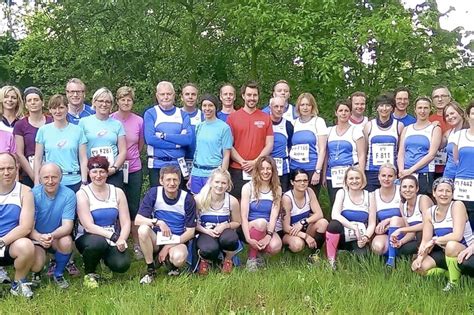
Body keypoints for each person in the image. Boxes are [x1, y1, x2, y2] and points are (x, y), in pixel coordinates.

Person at [75, 155, 131, 289]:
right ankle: (89, 273)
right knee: (97, 243)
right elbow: (88, 226)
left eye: (102, 171)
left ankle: (105, 262)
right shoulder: (82, 193)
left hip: (114, 237)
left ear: (107, 173)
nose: (98, 175)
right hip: (89, 237)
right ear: (89, 173)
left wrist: (122, 239)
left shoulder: (118, 192)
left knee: (122, 265)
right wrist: (114, 237)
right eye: (94, 172)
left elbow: (126, 221)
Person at [135, 165, 196, 284]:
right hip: (157, 239)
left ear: (179, 181)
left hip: (177, 240)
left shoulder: (187, 199)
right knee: (143, 230)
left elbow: (190, 232)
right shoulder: (154, 193)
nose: (172, 183)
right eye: (168, 180)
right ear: (161, 181)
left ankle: (171, 265)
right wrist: (158, 222)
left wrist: (168, 246)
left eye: (175, 180)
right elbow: (138, 219)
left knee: (179, 258)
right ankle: (150, 269)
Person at [411, 178, 473, 291]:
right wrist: (420, 258)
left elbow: (457, 236)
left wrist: (435, 240)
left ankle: (453, 284)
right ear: (434, 193)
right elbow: (426, 240)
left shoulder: (457, 205)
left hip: (466, 249)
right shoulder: (429, 212)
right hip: (445, 252)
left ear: (452, 194)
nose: (444, 194)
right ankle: (450, 274)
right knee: (420, 268)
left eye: (448, 191)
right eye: (440, 190)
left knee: (451, 245)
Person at [110, 86, 144, 259]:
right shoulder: (110, 119)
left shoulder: (139, 121)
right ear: (117, 101)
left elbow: (140, 144)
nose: (126, 102)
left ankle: (137, 243)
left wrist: (130, 157)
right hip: (114, 170)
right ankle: (116, 240)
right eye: (122, 99)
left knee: (133, 206)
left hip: (133, 168)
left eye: (129, 99)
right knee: (115, 205)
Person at [29, 163, 75, 289]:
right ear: (39, 178)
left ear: (60, 177)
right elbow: (28, 227)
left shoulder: (69, 195)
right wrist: (40, 238)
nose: (50, 181)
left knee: (66, 241)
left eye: (54, 177)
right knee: (37, 264)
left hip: (56, 236)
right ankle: (36, 273)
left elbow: (68, 226)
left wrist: (51, 236)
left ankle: (58, 273)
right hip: (36, 237)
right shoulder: (32, 195)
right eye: (46, 177)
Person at [226, 81, 273, 199]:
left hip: (260, 169)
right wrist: (242, 162)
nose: (252, 98)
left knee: (258, 202)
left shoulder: (265, 117)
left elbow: (269, 144)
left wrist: (256, 162)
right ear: (243, 96)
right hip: (237, 168)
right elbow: (228, 145)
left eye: (255, 95)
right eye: (249, 95)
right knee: (238, 202)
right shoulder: (232, 118)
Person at [34, 94, 88, 193]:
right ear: (50, 110)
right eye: (54, 108)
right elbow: (38, 158)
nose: (58, 111)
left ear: (67, 108)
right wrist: (37, 181)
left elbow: (83, 158)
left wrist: (84, 182)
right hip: (51, 182)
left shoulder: (78, 130)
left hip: (74, 181)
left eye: (61, 107)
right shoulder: (43, 130)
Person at [325, 167, 376, 270]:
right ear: (346, 181)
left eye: (357, 178)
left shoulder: (369, 196)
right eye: (351, 178)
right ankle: (331, 261)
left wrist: (366, 237)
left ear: (362, 180)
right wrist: (353, 227)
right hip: (342, 235)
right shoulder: (341, 193)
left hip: (359, 237)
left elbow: (372, 223)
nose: (354, 181)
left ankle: (349, 251)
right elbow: (335, 215)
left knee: (363, 260)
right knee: (333, 224)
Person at [144, 81, 192, 188]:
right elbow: (150, 139)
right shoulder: (150, 113)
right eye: (162, 94)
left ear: (174, 95)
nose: (166, 97)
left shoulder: (183, 115)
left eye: (169, 94)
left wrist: (164, 136)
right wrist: (176, 144)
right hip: (157, 165)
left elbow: (187, 139)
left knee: (178, 200)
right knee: (158, 200)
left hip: (178, 165)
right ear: (157, 96)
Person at [0, 153, 35, 298]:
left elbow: (26, 227)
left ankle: (18, 283)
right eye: (1, 169)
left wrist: (1, 242)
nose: (6, 173)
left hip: (10, 243)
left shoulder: (25, 191)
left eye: (10, 168)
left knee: (26, 246)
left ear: (17, 168)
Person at [194, 168, 240, 274]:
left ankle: (228, 259)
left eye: (223, 183)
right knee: (210, 249)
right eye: (217, 182)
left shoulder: (232, 201)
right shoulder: (199, 199)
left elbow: (237, 222)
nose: (220, 186)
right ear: (211, 182)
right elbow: (192, 223)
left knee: (231, 239)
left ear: (228, 185)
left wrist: (225, 226)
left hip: (224, 231)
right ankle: (205, 260)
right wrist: (207, 231)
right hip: (205, 231)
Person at [79, 87, 127, 189]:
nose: (104, 104)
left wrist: (114, 168)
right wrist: (86, 169)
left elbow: (123, 151)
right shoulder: (83, 122)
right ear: (94, 102)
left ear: (111, 105)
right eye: (101, 101)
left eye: (107, 102)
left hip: (112, 172)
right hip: (90, 172)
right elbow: (78, 149)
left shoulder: (117, 124)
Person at [241, 156, 282, 271]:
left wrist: (269, 235)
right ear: (257, 170)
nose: (265, 171)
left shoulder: (277, 189)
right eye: (262, 168)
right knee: (261, 223)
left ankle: (259, 255)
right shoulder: (248, 187)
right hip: (250, 226)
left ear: (273, 171)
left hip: (267, 227)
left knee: (276, 246)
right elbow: (243, 217)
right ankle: (251, 259)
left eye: (269, 169)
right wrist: (248, 238)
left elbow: (274, 215)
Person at [398, 97, 442, 196]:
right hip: (405, 173)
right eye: (420, 108)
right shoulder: (407, 129)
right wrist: (401, 171)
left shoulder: (434, 129)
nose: (422, 111)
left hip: (424, 173)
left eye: (426, 108)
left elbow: (431, 154)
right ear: (415, 109)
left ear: (430, 109)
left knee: (423, 202)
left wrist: (411, 170)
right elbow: (401, 152)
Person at [189, 94, 232, 194]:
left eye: (210, 105)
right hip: (197, 172)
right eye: (204, 106)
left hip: (213, 173)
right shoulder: (199, 126)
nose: (207, 109)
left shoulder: (224, 128)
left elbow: (226, 155)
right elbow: (197, 151)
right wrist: (192, 175)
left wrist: (222, 176)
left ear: (215, 107)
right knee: (197, 204)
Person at [281, 169, 328, 260]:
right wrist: (306, 236)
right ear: (292, 182)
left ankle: (314, 254)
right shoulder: (287, 198)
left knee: (323, 223)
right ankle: (287, 251)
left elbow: (319, 214)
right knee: (298, 245)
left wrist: (303, 222)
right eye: (298, 181)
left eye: (305, 180)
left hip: (304, 227)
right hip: (290, 232)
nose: (302, 183)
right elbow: (286, 227)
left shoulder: (309, 191)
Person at [326, 99, 365, 206]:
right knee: (335, 204)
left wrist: (361, 175)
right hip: (332, 175)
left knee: (349, 204)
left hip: (351, 175)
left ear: (350, 113)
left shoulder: (356, 130)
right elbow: (326, 154)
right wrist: (323, 174)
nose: (343, 113)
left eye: (346, 111)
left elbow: (362, 155)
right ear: (336, 112)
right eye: (341, 110)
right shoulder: (329, 131)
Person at [388, 175, 433, 267]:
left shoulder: (423, 199)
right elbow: (411, 232)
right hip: (417, 238)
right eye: (404, 187)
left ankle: (425, 259)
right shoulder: (402, 205)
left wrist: (401, 230)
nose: (407, 190)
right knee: (402, 250)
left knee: (421, 233)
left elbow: (427, 225)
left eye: (411, 187)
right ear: (400, 189)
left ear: (417, 189)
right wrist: (401, 242)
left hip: (432, 238)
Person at [289, 93, 328, 197]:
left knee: (311, 201)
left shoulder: (318, 122)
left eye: (308, 105)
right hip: (295, 169)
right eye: (302, 105)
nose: (305, 108)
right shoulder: (293, 123)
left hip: (312, 169)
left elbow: (323, 149)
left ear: (312, 106)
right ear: (298, 107)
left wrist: (318, 171)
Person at [13, 87, 52, 188]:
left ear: (42, 102)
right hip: (29, 173)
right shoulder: (20, 125)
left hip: (52, 171)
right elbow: (20, 154)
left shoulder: (51, 121)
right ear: (26, 105)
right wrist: (34, 176)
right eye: (29, 100)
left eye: (36, 99)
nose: (33, 103)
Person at [364, 94, 403, 192]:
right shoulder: (369, 125)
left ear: (392, 108)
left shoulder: (399, 126)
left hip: (391, 171)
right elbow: (364, 151)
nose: (384, 108)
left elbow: (400, 151)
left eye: (387, 105)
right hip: (372, 171)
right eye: (381, 105)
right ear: (377, 108)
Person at [369, 164, 402, 267]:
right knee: (377, 247)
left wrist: (389, 220)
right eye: (383, 176)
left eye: (390, 176)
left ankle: (391, 261)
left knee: (395, 220)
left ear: (395, 177)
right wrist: (377, 229)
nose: (386, 179)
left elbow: (407, 217)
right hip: (386, 231)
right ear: (378, 177)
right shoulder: (373, 195)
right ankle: (397, 255)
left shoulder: (401, 190)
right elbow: (372, 221)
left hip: (402, 228)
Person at [453, 101, 474, 229]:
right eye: (473, 113)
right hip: (462, 184)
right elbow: (456, 159)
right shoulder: (459, 135)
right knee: (462, 218)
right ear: (467, 115)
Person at [269, 96, 294, 192]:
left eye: (281, 107)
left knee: (283, 195)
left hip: (283, 168)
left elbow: (289, 146)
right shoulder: (264, 122)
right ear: (270, 107)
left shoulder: (288, 125)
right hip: (266, 167)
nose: (279, 109)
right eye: (276, 106)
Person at [430, 86, 452, 179]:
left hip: (453, 168)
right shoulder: (428, 120)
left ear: (449, 98)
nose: (440, 99)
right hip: (431, 168)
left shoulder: (458, 119)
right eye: (436, 97)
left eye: (443, 96)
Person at [180, 83, 203, 174]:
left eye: (193, 94)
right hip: (179, 161)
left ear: (197, 97)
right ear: (181, 97)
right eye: (187, 94)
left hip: (198, 162)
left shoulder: (203, 115)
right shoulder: (176, 115)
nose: (190, 97)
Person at [442, 101, 466, 179]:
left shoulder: (470, 132)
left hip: (465, 176)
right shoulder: (448, 133)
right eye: (447, 115)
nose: (450, 117)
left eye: (452, 113)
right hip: (448, 175)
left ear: (461, 113)